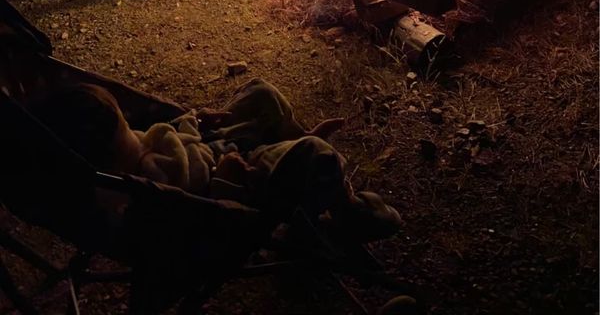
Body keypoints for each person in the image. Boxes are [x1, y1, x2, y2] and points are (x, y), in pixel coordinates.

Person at [31, 78, 402, 242]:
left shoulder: (123, 153)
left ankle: (293, 145)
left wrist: (192, 121)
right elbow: (197, 208)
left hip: (209, 146)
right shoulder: (145, 184)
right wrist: (225, 179)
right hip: (239, 176)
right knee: (319, 156)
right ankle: (343, 212)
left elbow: (167, 135)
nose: (131, 126)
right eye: (124, 125)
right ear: (109, 155)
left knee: (262, 94)